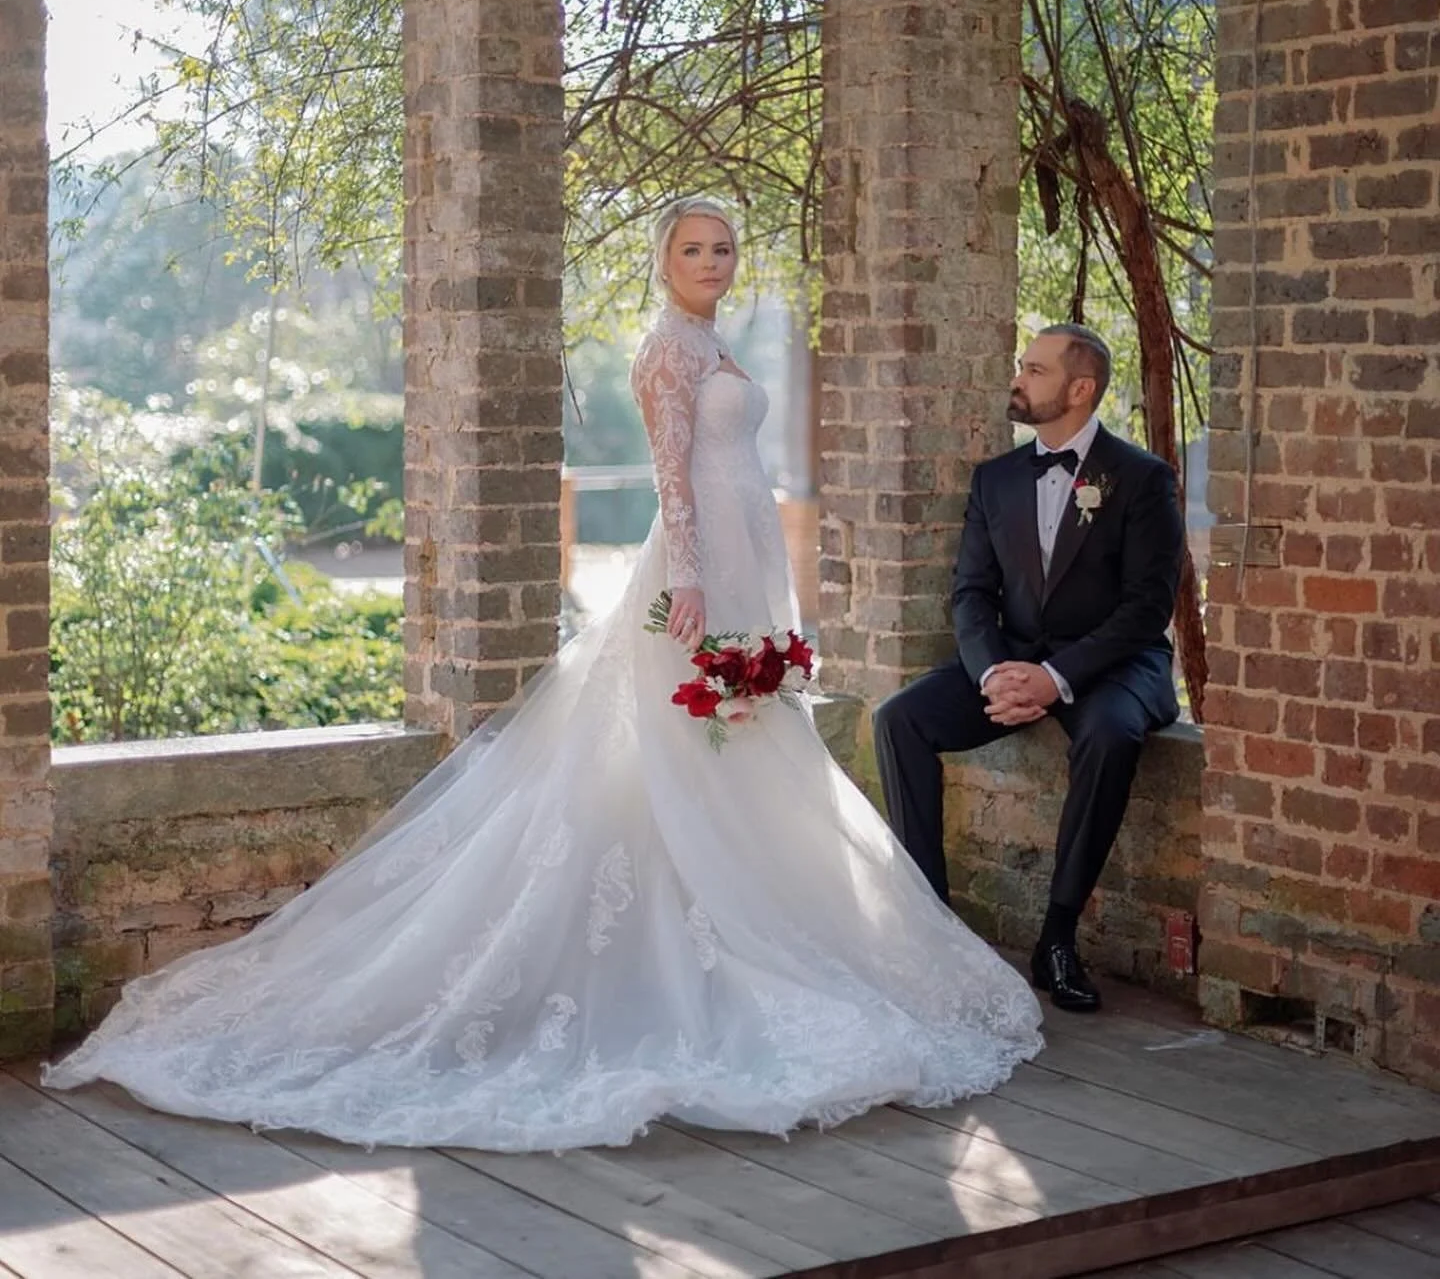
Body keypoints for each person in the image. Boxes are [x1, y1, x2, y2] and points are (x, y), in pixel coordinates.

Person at [46, 197, 1042, 1150]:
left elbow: (732, 463)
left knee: (744, 735)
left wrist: (753, 586)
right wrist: (689, 581)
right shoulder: (664, 350)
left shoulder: (720, 345)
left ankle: (758, 909)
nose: (712, 263)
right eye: (695, 249)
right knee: (683, 737)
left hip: (749, 554)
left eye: (725, 249)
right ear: (665, 260)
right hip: (699, 566)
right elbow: (673, 471)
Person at [872, 323, 1183, 1015]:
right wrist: (995, 675)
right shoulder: (996, 479)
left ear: (1081, 389)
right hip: (1011, 657)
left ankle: (1058, 939)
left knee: (1108, 737)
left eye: (1035, 370)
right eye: (1022, 365)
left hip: (1114, 663)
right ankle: (933, 930)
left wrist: (1057, 678)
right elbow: (971, 594)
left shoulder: (1142, 477)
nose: (1019, 377)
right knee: (899, 721)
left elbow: (1146, 607)